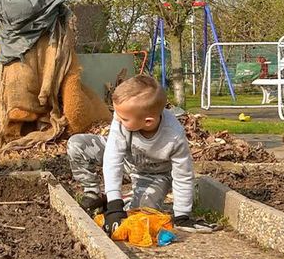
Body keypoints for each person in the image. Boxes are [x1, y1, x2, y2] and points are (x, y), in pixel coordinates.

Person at [66, 75, 212, 234]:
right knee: (77, 145)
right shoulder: (121, 118)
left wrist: (182, 215)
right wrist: (115, 205)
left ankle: (123, 200)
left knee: (139, 215)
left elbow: (183, 175)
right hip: (127, 160)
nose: (116, 119)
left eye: (123, 118)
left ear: (148, 121)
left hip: (154, 174)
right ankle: (94, 194)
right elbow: (112, 158)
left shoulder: (174, 137)